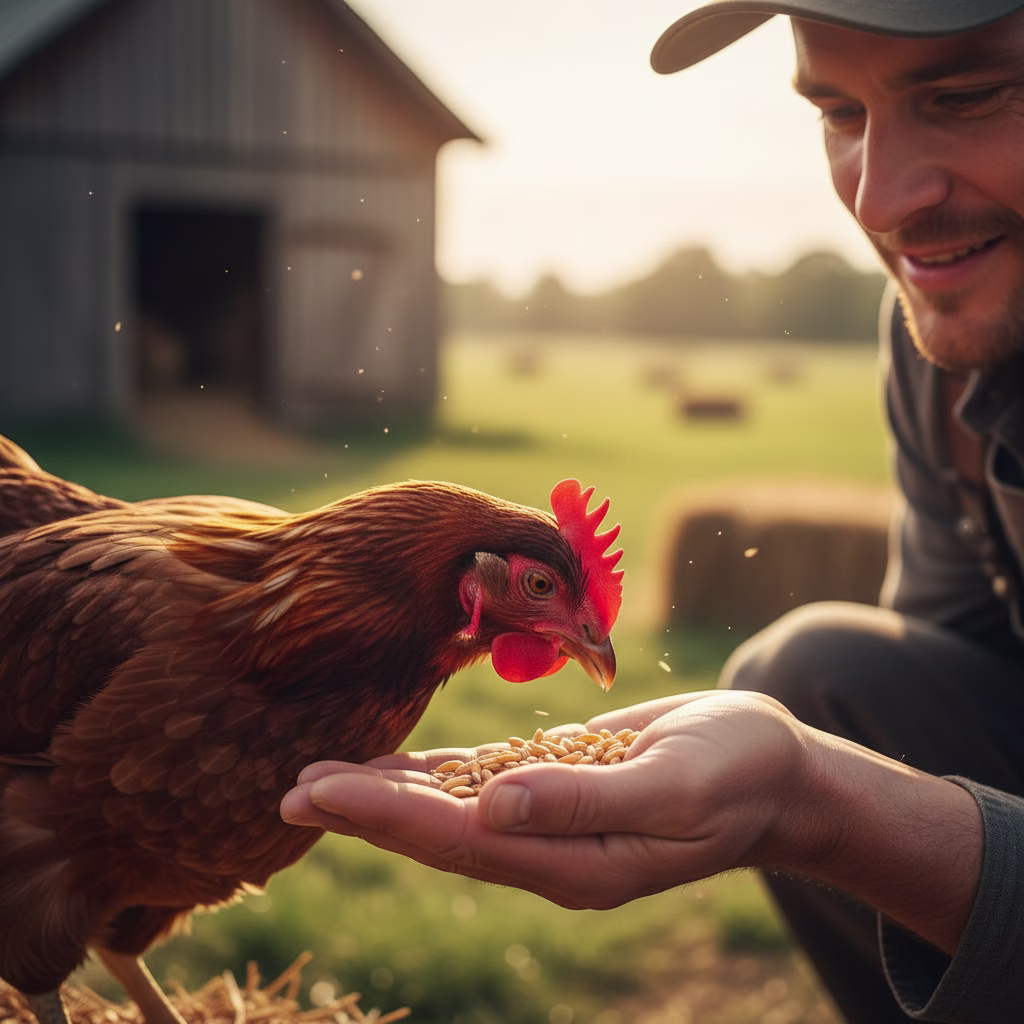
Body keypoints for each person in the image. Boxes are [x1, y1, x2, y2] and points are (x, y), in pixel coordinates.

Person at [280, 2, 1024, 1020]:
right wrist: (832, 786)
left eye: (969, 94)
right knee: (813, 676)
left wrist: (825, 807)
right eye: (838, 111)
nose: (881, 198)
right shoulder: (942, 336)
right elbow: (947, 725)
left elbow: (888, 796)